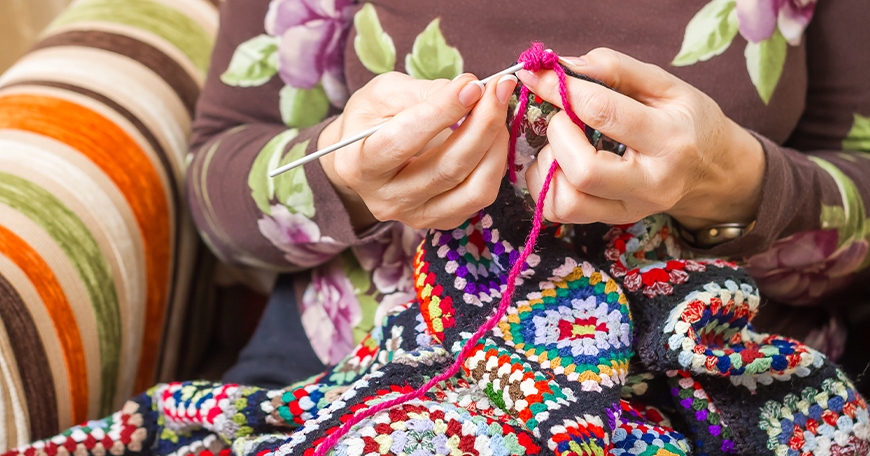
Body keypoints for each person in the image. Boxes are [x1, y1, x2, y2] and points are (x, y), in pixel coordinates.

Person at [188, 0, 870, 392]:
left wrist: (735, 184)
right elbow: (215, 190)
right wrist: (347, 177)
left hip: (722, 384)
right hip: (355, 372)